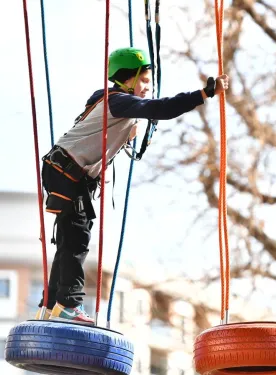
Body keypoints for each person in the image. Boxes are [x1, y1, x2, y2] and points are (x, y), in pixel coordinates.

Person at [36, 47, 229, 325]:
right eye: (143, 81)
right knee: (76, 238)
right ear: (127, 80)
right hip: (68, 172)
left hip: (65, 171)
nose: (148, 87)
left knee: (69, 240)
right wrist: (203, 94)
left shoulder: (110, 103)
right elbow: (161, 108)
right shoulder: (119, 102)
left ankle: (52, 305)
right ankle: (67, 304)